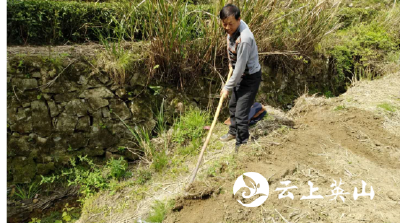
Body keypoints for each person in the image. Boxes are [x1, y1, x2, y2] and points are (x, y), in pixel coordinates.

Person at [219, 4, 262, 153]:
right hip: (240, 74)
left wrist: (226, 87)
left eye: (230, 24)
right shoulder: (231, 29)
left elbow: (240, 69)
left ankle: (242, 144)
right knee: (233, 105)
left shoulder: (245, 38)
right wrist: (231, 64)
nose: (227, 27)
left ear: (239, 20)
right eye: (224, 23)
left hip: (250, 77)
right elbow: (231, 51)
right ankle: (233, 132)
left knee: (241, 113)